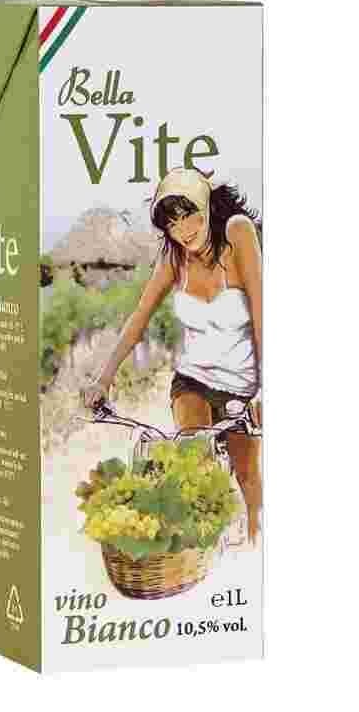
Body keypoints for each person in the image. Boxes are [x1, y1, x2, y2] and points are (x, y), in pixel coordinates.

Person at [81, 167, 263, 542]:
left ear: (206, 205)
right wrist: (103, 379)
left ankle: (254, 550)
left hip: (244, 387)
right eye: (171, 222)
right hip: (193, 382)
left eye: (188, 214)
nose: (183, 230)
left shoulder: (238, 232)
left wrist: (266, 389)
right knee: (194, 474)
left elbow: (264, 314)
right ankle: (200, 560)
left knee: (249, 479)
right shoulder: (174, 257)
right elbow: (139, 318)